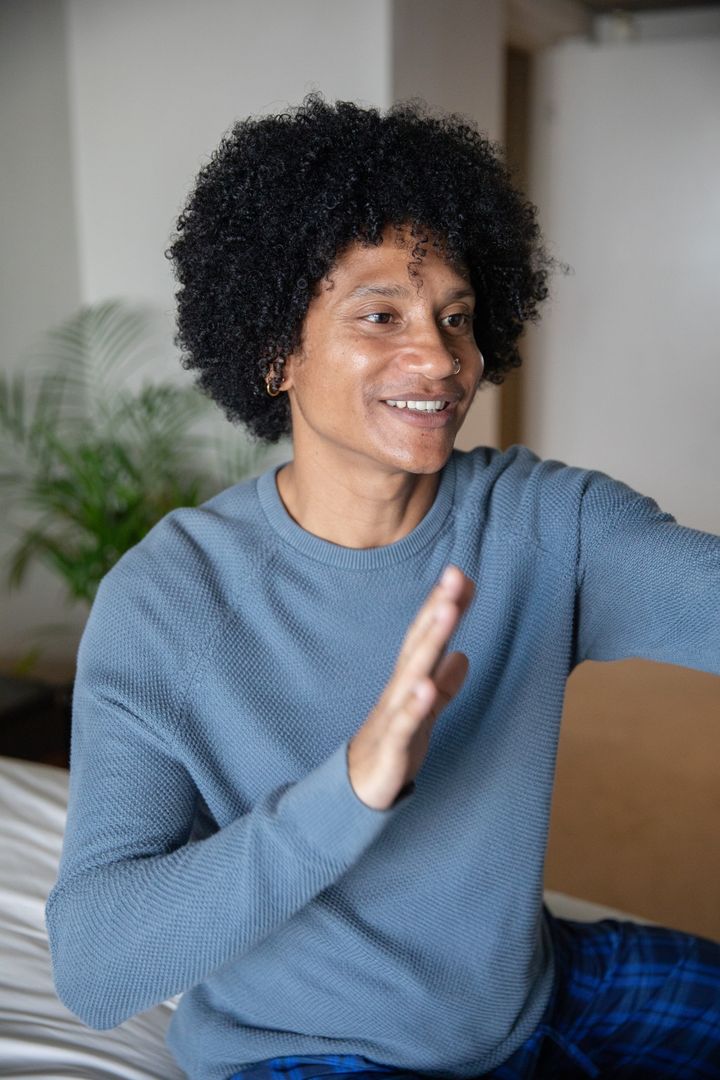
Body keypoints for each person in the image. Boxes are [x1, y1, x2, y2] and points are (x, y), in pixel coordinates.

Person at [46, 94, 720, 1079]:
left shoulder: (544, 524)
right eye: (381, 316)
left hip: (533, 997)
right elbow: (95, 966)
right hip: (312, 1051)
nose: (440, 358)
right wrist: (351, 790)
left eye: (456, 317)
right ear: (275, 351)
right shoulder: (169, 601)